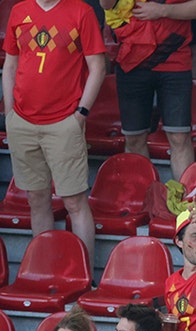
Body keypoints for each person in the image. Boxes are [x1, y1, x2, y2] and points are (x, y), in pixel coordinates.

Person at [1, 0, 104, 261]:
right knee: (36, 198)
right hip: (22, 122)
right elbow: (10, 65)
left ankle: (84, 278)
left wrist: (81, 114)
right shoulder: (19, 11)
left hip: (64, 122)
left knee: (74, 202)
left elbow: (98, 67)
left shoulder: (81, 11)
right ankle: (43, 269)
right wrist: (11, 113)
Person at [100, 0, 196, 179]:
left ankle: (184, 203)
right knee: (134, 139)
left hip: (175, 59)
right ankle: (144, 199)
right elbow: (106, 4)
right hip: (131, 60)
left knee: (179, 137)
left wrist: (162, 10)